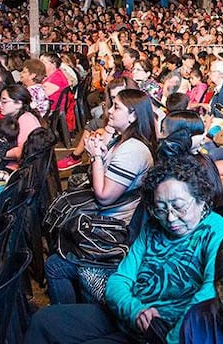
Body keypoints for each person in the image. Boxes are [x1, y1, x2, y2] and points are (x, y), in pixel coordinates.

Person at [25, 155, 223, 344]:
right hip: (131, 315)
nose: (170, 218)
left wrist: (170, 338)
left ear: (201, 201)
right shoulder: (154, 226)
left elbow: (208, 293)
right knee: (43, 320)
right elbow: (120, 279)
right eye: (161, 209)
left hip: (169, 328)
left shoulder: (217, 230)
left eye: (179, 207)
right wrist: (135, 310)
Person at [44, 89, 156, 305]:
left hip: (108, 231)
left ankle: (70, 321)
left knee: (55, 265)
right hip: (102, 222)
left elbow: (104, 196)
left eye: (116, 107)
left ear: (133, 116)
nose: (110, 111)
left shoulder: (133, 150)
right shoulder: (123, 141)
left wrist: (96, 156)